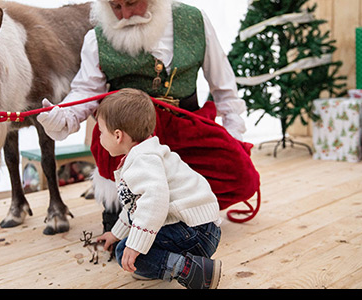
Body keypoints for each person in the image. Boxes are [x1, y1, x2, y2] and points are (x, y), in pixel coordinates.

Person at [37, 0, 255, 231]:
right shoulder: (96, 38)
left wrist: (234, 134)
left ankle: (173, 212)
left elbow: (223, 87)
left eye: (132, 3)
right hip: (129, 141)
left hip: (187, 128)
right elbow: (86, 90)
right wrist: (64, 116)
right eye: (116, 6)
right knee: (115, 143)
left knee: (243, 178)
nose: (125, 14)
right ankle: (128, 214)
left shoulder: (195, 20)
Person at [95, 88, 222, 289]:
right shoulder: (146, 153)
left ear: (118, 135)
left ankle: (191, 270)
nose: (100, 138)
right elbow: (134, 208)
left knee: (125, 253)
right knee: (130, 243)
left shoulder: (143, 161)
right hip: (201, 229)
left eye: (101, 132)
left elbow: (154, 201)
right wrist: (116, 233)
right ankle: (181, 263)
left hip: (195, 232)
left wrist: (134, 245)